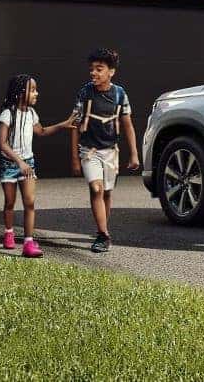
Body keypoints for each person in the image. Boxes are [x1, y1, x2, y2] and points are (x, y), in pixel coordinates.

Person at [0, 74, 76, 258]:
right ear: (20, 92)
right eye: (32, 90)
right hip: (9, 164)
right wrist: (19, 162)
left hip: (28, 164)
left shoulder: (32, 114)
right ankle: (9, 233)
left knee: (29, 203)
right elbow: (2, 144)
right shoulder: (8, 114)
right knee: (9, 202)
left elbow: (41, 131)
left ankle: (28, 243)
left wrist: (63, 124)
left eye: (36, 89)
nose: (36, 93)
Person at [70, 48, 139, 253]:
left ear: (111, 71)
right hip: (89, 151)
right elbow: (74, 125)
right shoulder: (85, 93)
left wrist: (134, 153)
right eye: (92, 69)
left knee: (107, 193)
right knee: (96, 189)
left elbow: (127, 124)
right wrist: (74, 157)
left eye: (99, 69)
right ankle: (103, 235)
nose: (94, 73)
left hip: (111, 152)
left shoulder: (120, 94)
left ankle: (103, 230)